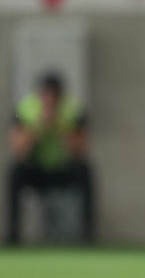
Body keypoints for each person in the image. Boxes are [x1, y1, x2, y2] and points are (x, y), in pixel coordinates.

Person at [7, 72, 95, 245]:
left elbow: (80, 151)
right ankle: (14, 235)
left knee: (85, 171)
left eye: (54, 97)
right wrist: (40, 125)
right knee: (15, 172)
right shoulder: (26, 108)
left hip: (62, 169)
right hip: (36, 170)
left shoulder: (72, 109)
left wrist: (59, 126)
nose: (50, 100)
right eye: (45, 95)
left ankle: (87, 236)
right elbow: (19, 151)